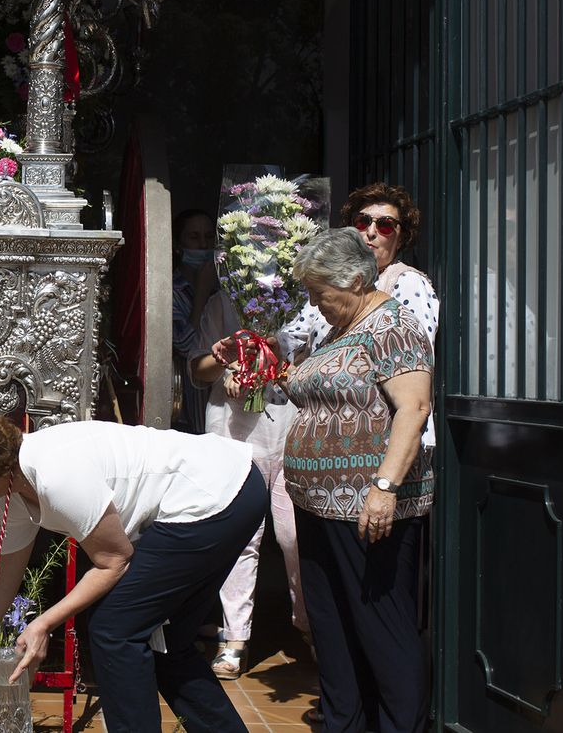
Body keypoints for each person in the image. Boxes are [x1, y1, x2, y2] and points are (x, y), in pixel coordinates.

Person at [0, 407, 267, 733]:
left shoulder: (53, 474)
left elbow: (114, 561)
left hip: (217, 493)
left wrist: (44, 623)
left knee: (115, 630)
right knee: (165, 643)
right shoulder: (11, 488)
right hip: (226, 487)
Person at [213, 228, 433, 732]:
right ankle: (344, 722)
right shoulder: (339, 331)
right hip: (317, 503)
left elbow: (414, 407)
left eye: (320, 294)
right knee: (333, 625)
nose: (315, 304)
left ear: (355, 279)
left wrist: (384, 487)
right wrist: (261, 364)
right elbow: (317, 392)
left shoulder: (392, 327)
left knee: (381, 627)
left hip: (366, 508)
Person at [189, 286, 307, 679]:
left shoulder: (306, 300)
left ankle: (310, 626)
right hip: (234, 431)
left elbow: (316, 357)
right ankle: (234, 637)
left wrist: (279, 367)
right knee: (242, 536)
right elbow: (196, 368)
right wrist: (227, 369)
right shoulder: (224, 299)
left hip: (291, 426)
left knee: (295, 534)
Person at [282, 182, 439, 448]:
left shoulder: (407, 282)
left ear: (401, 237)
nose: (372, 232)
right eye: (362, 222)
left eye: (386, 225)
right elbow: (291, 342)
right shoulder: (330, 283)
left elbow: (412, 369)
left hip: (380, 441)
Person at [172, 208, 215, 431]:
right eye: (194, 237)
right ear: (178, 245)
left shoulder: (227, 288)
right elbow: (185, 346)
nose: (203, 246)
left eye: (209, 237)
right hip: (188, 409)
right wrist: (201, 292)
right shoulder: (172, 291)